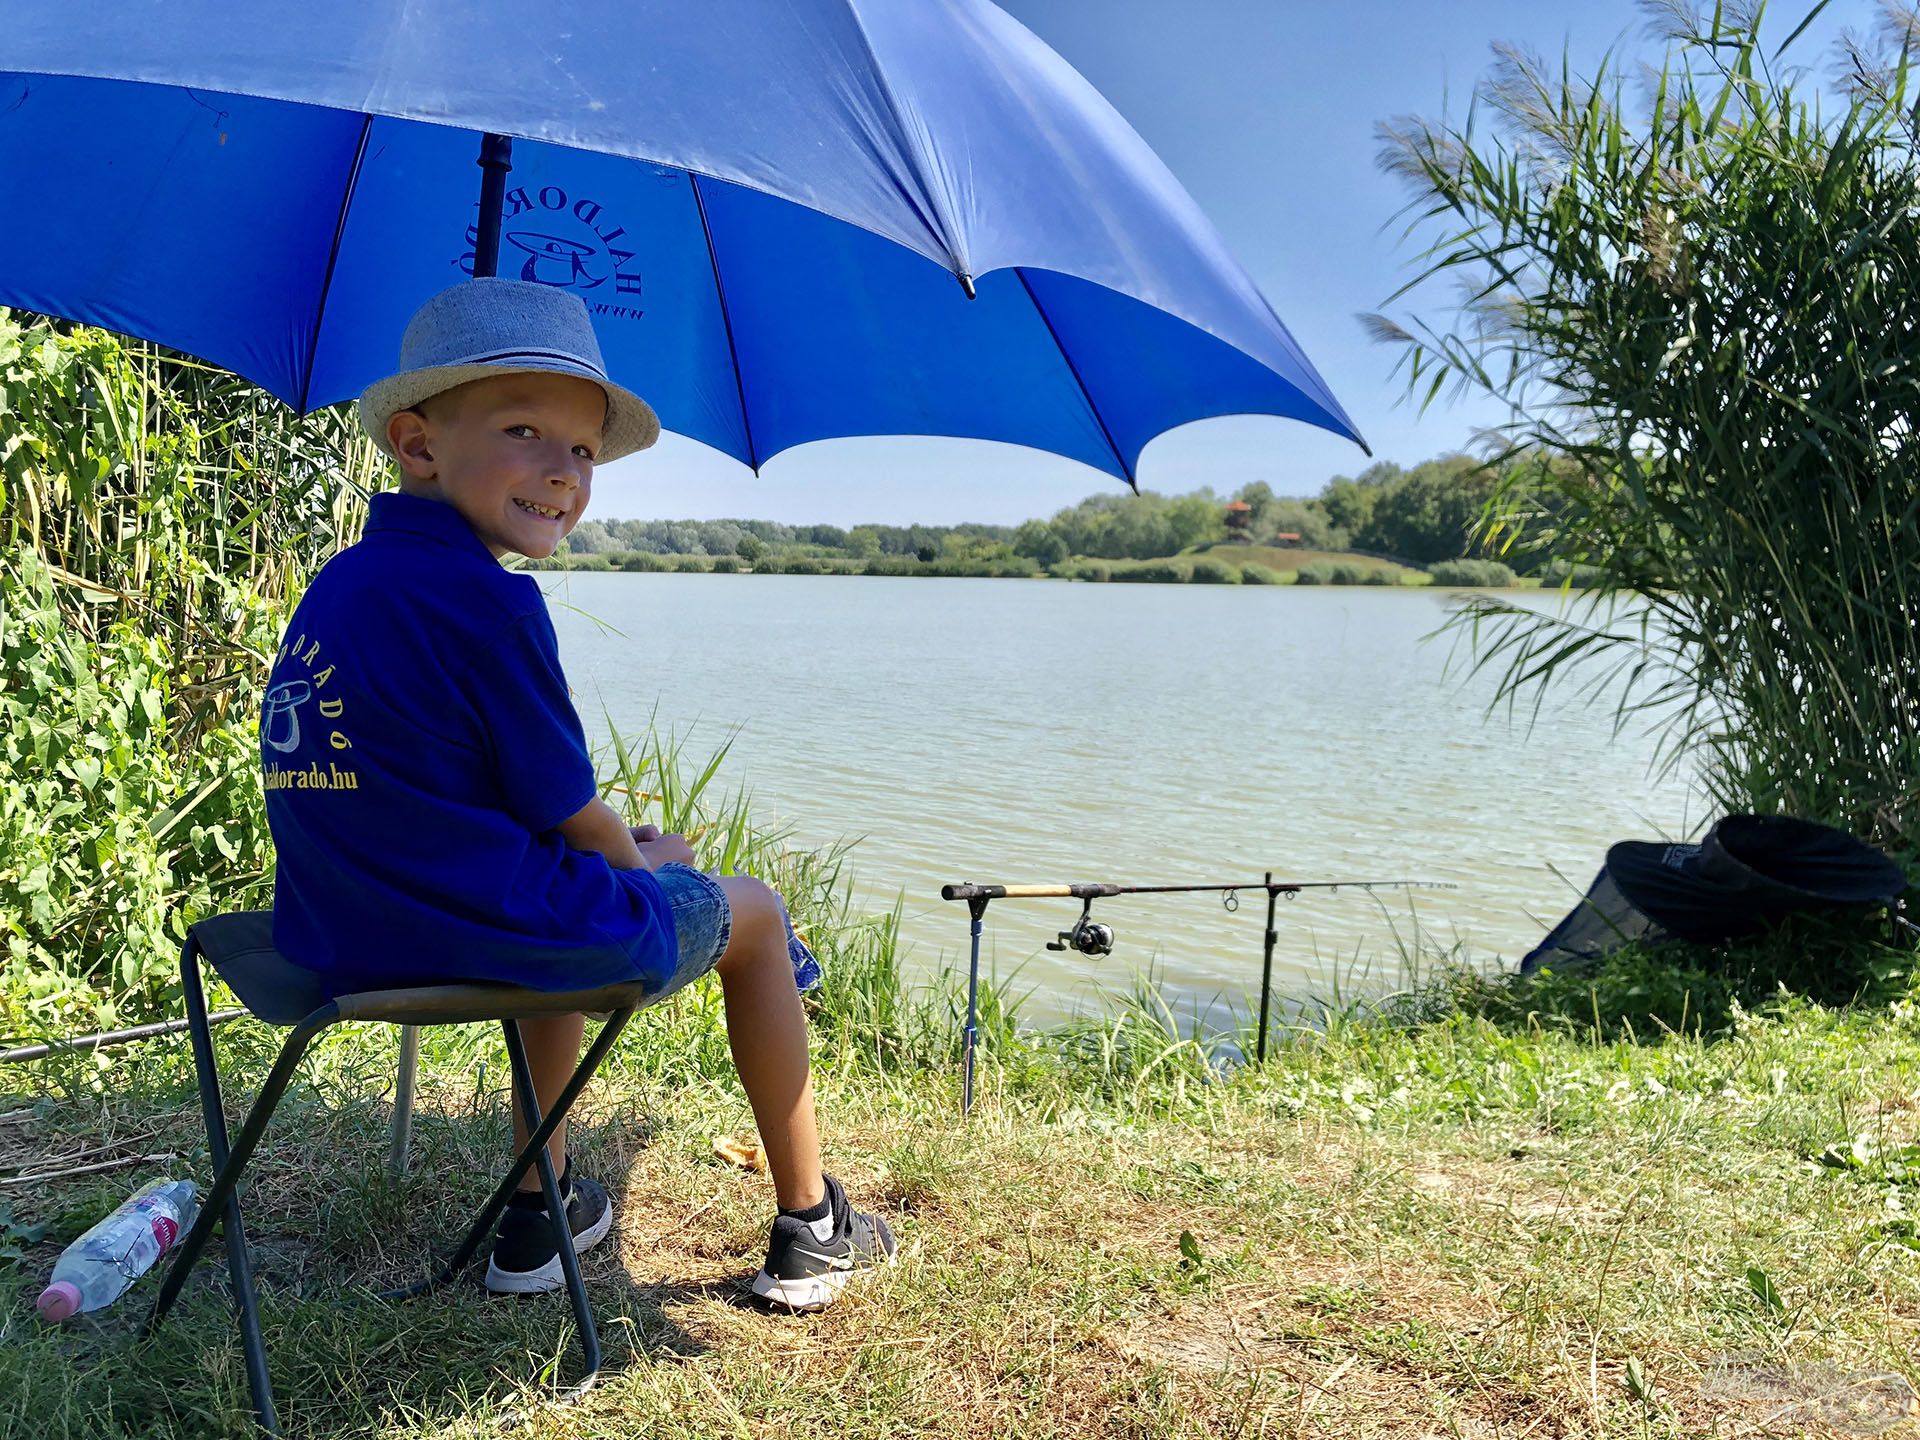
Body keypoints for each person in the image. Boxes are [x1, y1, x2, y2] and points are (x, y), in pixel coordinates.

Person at [257, 277, 893, 1309]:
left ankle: (536, 1210)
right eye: (525, 432)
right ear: (419, 446)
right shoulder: (492, 605)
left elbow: (468, 796)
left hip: (340, 934)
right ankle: (814, 1225)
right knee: (756, 914)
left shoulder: (344, 584)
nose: (563, 475)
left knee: (575, 884)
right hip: (468, 935)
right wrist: (647, 860)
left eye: (584, 452)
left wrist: (617, 857)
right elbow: (571, 812)